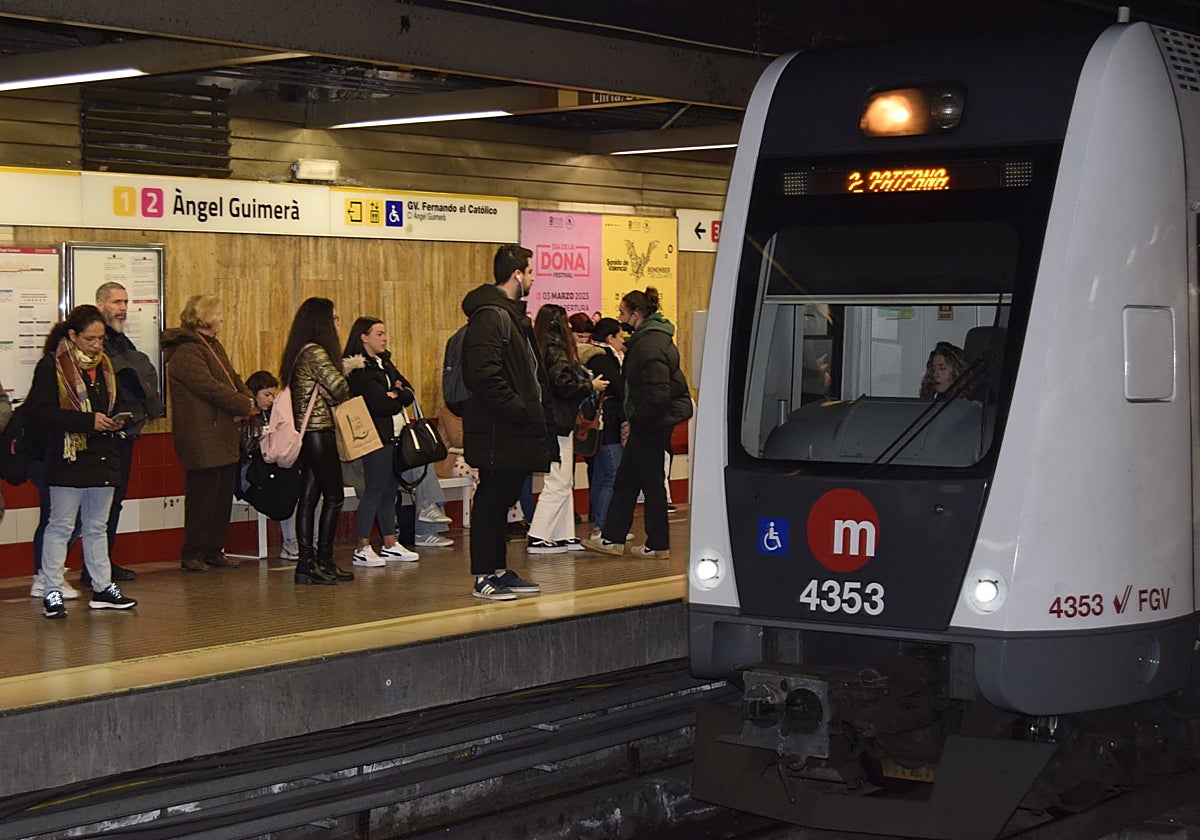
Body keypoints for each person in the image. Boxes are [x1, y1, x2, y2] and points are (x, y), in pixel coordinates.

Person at [28, 305, 137, 619]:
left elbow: (119, 403)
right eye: (90, 339)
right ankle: (51, 589)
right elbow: (42, 413)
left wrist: (119, 420)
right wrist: (89, 421)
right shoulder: (52, 366)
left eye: (101, 338)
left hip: (102, 456)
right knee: (61, 526)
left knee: (96, 527)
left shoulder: (105, 366)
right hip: (68, 456)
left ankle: (103, 588)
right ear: (72, 335)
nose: (97, 345)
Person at [461, 244, 552, 600]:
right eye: (529, 272)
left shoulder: (513, 317)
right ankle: (483, 575)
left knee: (504, 497)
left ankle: (499, 570)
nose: (532, 278)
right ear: (517, 274)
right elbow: (483, 375)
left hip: (514, 428)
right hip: (500, 428)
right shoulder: (490, 316)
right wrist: (520, 410)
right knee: (491, 498)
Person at [583, 288, 692, 559]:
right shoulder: (650, 339)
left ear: (636, 314)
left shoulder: (651, 343)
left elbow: (657, 391)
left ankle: (657, 544)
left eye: (622, 312)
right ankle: (613, 538)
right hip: (651, 418)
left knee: (651, 482)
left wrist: (639, 421)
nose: (620, 318)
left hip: (651, 421)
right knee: (627, 480)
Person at [162, 294, 256, 573]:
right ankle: (194, 552)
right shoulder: (187, 350)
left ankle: (214, 549)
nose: (222, 319)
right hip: (202, 435)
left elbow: (232, 378)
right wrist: (242, 403)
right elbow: (208, 386)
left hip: (221, 433)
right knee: (203, 495)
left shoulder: (211, 345)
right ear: (204, 316)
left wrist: (247, 398)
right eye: (218, 314)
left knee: (221, 495)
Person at [88, 281, 164, 584]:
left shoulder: (123, 342)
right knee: (95, 505)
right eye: (117, 302)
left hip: (126, 432)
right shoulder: (98, 343)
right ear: (100, 305)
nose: (123, 308)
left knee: (115, 501)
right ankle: (94, 565)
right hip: (101, 435)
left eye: (126, 302)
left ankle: (104, 561)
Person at [281, 297, 352, 585]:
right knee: (334, 497)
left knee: (309, 498)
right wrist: (332, 390)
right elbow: (341, 387)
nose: (338, 325)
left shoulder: (299, 352)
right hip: (318, 432)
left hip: (307, 433)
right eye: (334, 319)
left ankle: (307, 563)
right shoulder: (317, 353)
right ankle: (322, 559)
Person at [526, 304, 606, 553]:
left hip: (548, 420)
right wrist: (589, 385)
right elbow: (564, 383)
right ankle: (538, 535)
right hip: (559, 421)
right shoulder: (556, 349)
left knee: (563, 479)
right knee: (559, 481)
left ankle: (563, 533)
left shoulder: (537, 348)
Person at [342, 317, 420, 566]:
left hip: (393, 434)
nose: (384, 338)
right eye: (379, 333)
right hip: (374, 435)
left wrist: (397, 392)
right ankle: (362, 545)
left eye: (384, 333)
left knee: (389, 490)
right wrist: (395, 395)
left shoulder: (384, 362)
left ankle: (389, 542)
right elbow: (378, 402)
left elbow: (408, 390)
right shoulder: (359, 368)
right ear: (364, 337)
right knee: (374, 490)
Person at [243, 370, 300, 560]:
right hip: (250, 472)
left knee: (296, 480)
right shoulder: (245, 417)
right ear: (254, 393)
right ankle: (290, 542)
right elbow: (244, 449)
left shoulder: (273, 414)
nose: (271, 399)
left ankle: (303, 540)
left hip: (271, 468)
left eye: (273, 395)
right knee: (284, 484)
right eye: (266, 395)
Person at [584, 317, 626, 540]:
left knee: (601, 474)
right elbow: (618, 387)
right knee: (612, 473)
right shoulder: (603, 359)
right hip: (607, 423)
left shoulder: (594, 356)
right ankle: (603, 527)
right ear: (610, 338)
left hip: (600, 425)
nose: (623, 340)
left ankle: (601, 525)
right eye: (620, 336)